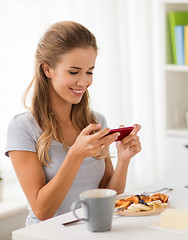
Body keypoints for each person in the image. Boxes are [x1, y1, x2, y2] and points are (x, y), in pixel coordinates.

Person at [5, 21, 142, 226]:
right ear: (47, 69)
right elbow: (42, 210)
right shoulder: (23, 127)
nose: (83, 82)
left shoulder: (94, 121)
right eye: (74, 72)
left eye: (89, 71)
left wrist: (123, 159)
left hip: (91, 230)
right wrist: (75, 155)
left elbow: (108, 194)